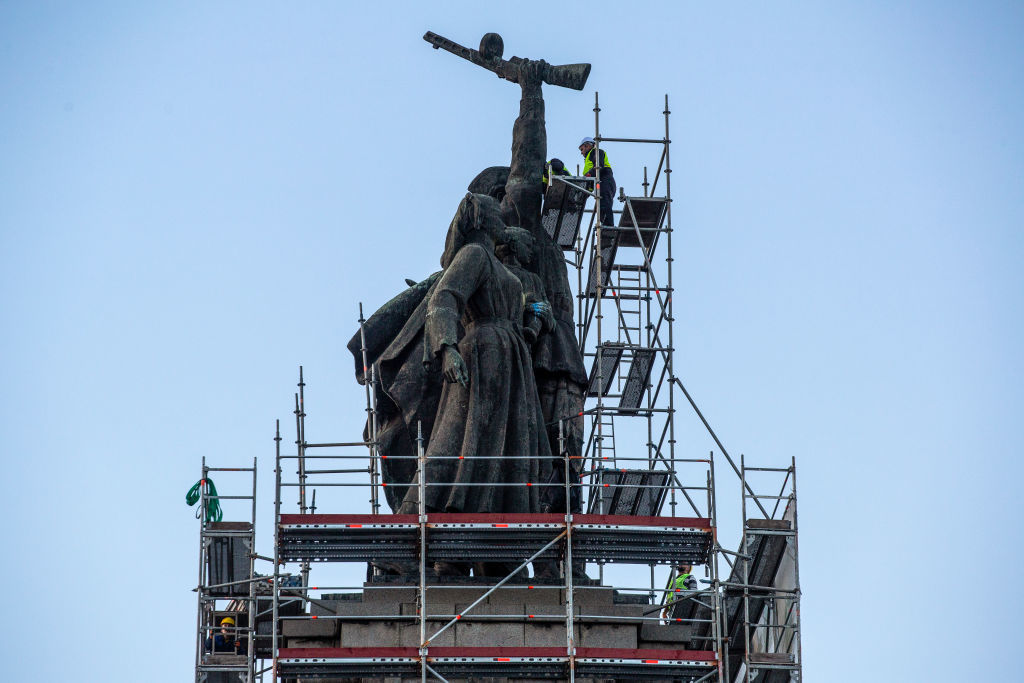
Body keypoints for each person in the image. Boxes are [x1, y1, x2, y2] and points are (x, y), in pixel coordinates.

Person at [397, 193, 552, 579]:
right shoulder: (474, 256)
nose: (504, 218)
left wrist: (534, 321)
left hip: (511, 361)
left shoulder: (506, 273)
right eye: (496, 213)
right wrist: (446, 347)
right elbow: (444, 299)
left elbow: (521, 328)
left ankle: (499, 549)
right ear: (483, 219)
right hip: (481, 354)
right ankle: (404, 537)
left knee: (508, 451)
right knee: (460, 442)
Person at [579, 136, 616, 227]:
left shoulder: (596, 152)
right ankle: (604, 228)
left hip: (604, 179)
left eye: (582, 149)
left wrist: (588, 175)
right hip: (599, 182)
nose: (581, 152)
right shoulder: (589, 159)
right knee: (601, 206)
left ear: (587, 146)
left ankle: (608, 227)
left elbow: (599, 166)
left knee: (604, 204)